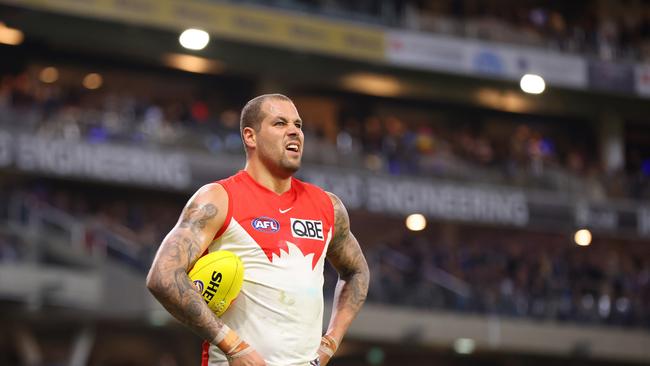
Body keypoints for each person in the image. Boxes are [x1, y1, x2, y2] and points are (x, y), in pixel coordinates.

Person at [146, 94, 370, 366]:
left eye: (298, 125)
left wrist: (331, 342)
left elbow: (357, 271)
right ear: (250, 137)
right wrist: (232, 345)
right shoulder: (218, 198)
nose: (294, 132)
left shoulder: (328, 206)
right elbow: (163, 276)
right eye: (280, 123)